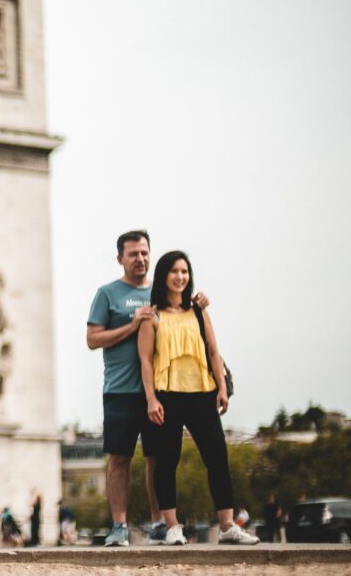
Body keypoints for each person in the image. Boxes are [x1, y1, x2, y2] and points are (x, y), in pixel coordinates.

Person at [87, 231, 209, 546]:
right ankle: (119, 526)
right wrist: (131, 324)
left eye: (144, 253)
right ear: (120, 259)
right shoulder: (107, 294)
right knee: (120, 458)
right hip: (120, 390)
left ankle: (159, 523)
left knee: (158, 458)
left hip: (161, 391)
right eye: (133, 254)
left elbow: (188, 319)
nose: (140, 259)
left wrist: (200, 302)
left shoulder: (161, 291)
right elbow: (92, 339)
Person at [137, 250, 258, 546]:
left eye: (185, 271)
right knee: (167, 461)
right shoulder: (151, 317)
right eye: (175, 271)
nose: (181, 277)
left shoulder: (199, 311)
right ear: (164, 276)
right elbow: (146, 362)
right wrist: (151, 399)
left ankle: (228, 526)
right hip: (167, 395)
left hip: (202, 393)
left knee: (217, 457)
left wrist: (221, 387)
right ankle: (173, 526)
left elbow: (214, 352)